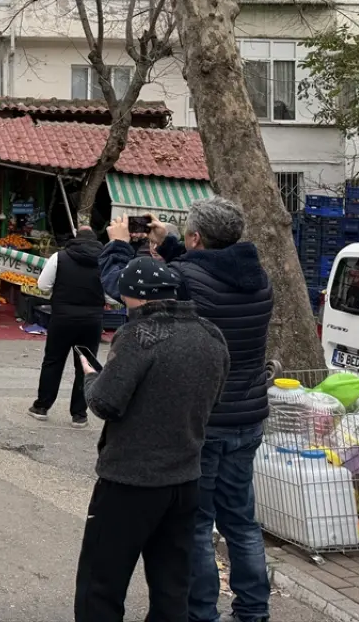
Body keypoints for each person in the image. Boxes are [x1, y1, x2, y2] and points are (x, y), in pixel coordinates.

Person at [99, 198, 274, 622]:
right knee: (242, 521)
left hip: (204, 418)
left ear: (197, 238)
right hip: (248, 416)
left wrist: (120, 246)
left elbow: (121, 287)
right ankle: (254, 610)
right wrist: (172, 242)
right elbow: (208, 272)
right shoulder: (260, 279)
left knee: (198, 523)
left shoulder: (187, 279)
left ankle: (201, 613)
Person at [75, 256, 229, 622]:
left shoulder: (139, 335)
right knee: (171, 583)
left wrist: (90, 376)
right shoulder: (210, 334)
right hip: (186, 478)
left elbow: (104, 403)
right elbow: (215, 398)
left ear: (135, 297)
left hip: (130, 480)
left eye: (122, 297)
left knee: (102, 582)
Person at [28, 225, 105, 428]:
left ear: (75, 238)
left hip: (62, 318)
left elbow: (43, 285)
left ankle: (42, 406)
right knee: (85, 365)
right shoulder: (104, 260)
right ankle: (79, 414)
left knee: (53, 361)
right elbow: (111, 293)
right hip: (92, 320)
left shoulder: (59, 257)